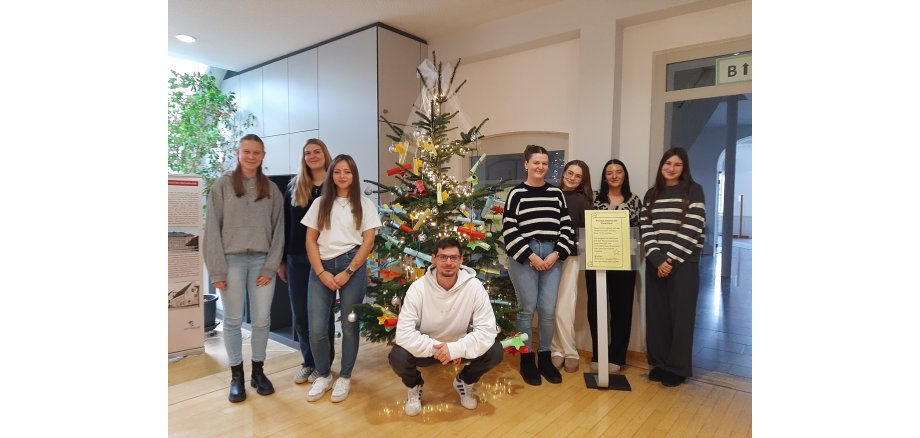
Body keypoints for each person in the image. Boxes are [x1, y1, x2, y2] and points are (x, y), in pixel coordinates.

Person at [203, 134, 285, 403]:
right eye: (246, 151)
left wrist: (271, 266)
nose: (251, 156)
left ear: (263, 156)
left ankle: (258, 372)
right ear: (238, 153)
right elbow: (211, 230)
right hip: (231, 262)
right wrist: (217, 271)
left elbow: (279, 231)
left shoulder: (271, 189)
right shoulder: (222, 186)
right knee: (233, 320)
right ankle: (236, 376)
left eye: (256, 152)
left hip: (262, 261)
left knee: (262, 320)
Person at [389, 238, 503, 417]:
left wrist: (456, 349)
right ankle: (414, 385)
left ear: (461, 260)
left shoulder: (474, 287)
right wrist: (441, 349)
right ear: (434, 258)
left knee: (495, 351)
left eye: (453, 257)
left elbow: (487, 330)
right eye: (443, 257)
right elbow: (404, 333)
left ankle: (465, 381)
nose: (448, 263)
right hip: (429, 349)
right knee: (398, 356)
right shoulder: (418, 288)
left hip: (458, 349)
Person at [302, 154, 381, 402]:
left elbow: (368, 241)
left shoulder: (365, 204)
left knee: (349, 326)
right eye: (337, 171)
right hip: (321, 267)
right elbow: (310, 240)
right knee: (316, 328)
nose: (342, 176)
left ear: (354, 175)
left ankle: (345, 376)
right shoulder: (320, 203)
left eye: (347, 171)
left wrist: (348, 272)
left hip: (352, 267)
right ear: (331, 175)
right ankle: (324, 375)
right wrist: (321, 272)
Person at [502, 144, 576, 386]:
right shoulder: (516, 194)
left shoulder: (556, 194)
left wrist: (556, 254)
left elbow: (566, 227)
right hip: (525, 256)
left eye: (544, 163)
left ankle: (545, 358)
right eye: (536, 162)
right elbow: (509, 229)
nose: (541, 167)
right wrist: (531, 256)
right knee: (526, 309)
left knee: (547, 310)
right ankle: (526, 360)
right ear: (526, 164)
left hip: (552, 255)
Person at [640, 147, 706, 388]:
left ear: (684, 167)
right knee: (657, 316)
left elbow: (693, 226)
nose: (671, 168)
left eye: (677, 164)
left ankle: (677, 368)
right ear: (661, 165)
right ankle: (659, 363)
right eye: (668, 163)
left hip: (684, 263)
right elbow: (645, 227)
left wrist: (669, 260)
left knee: (681, 318)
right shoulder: (651, 194)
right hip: (655, 262)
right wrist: (657, 258)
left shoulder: (694, 190)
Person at [279, 138, 336, 385]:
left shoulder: (335, 185)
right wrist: (282, 261)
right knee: (301, 314)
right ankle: (309, 362)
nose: (312, 156)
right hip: (297, 260)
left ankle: (324, 364)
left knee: (322, 315)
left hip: (325, 259)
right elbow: (285, 225)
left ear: (325, 154)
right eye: (307, 153)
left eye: (316, 151)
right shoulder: (294, 186)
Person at [586, 159, 643, 373]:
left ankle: (617, 357)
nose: (614, 176)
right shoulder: (593, 198)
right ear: (604, 177)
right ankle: (598, 355)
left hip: (625, 262)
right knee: (596, 308)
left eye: (618, 172)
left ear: (624, 175)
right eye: (609, 172)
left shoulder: (634, 200)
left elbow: (640, 231)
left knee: (622, 309)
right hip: (596, 260)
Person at [550, 160, 593, 373]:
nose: (572, 178)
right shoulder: (551, 195)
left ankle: (569, 351)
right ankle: (557, 349)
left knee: (565, 305)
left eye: (577, 176)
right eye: (569, 173)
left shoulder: (583, 201)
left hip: (571, 257)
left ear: (583, 180)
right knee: (551, 306)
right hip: (548, 256)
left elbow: (587, 233)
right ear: (563, 173)